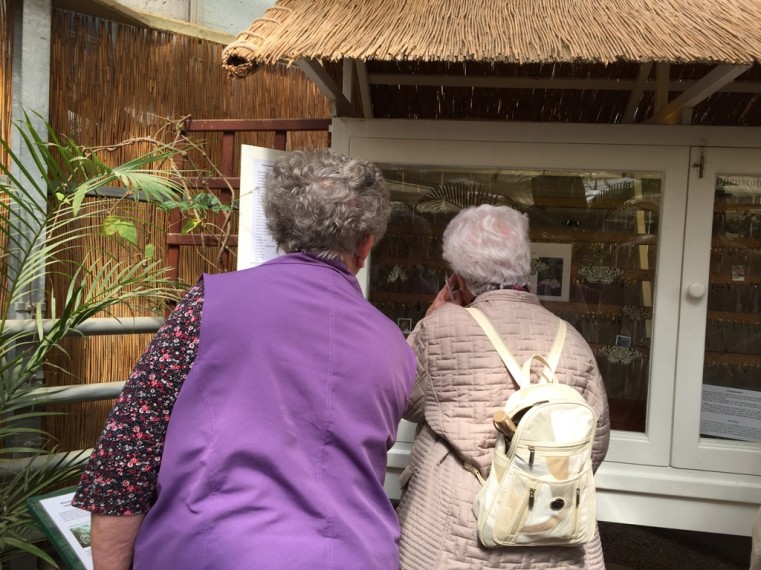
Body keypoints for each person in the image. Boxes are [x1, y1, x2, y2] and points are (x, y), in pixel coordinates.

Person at [72, 150, 416, 570]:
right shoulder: (394, 344)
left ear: (281, 232)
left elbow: (127, 454)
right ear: (365, 246)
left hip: (211, 554)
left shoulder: (208, 306)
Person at [397, 204, 610, 569]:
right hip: (551, 531)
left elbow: (401, 398)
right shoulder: (572, 340)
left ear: (458, 278)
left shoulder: (441, 330)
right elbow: (595, 445)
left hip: (458, 532)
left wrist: (429, 319)